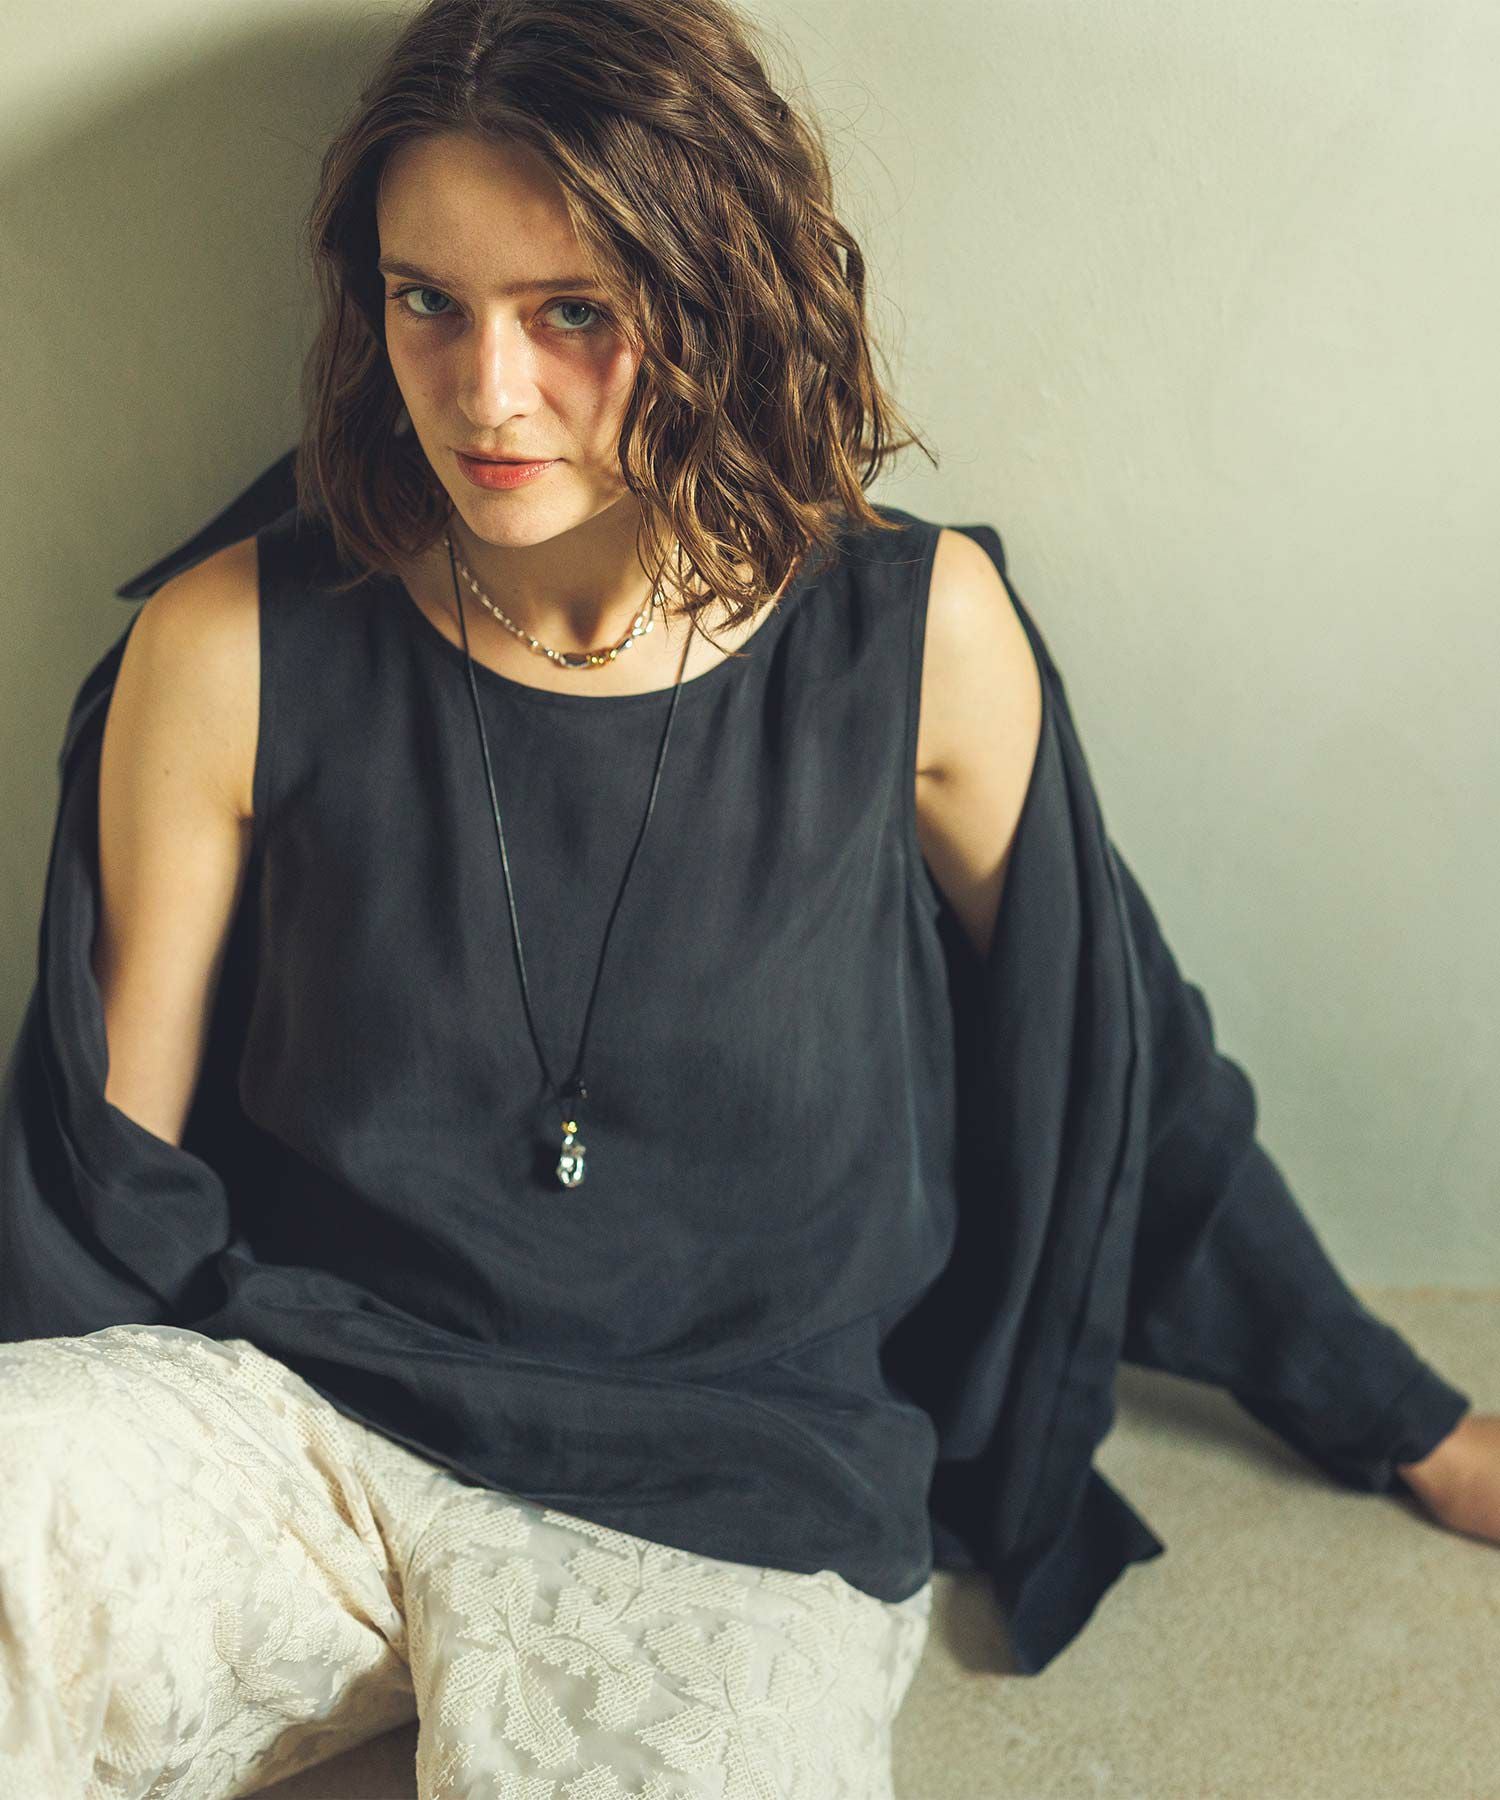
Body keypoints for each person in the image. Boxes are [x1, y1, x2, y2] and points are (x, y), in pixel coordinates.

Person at [2, 1, 1495, 1796]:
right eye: (426, 301)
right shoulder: (235, 640)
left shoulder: (915, 641)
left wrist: (1405, 1421)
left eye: (574, 312)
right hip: (295, 1428)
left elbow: (1114, 1064)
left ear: (717, 291)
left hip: (728, 1497)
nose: (486, 392)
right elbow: (109, 1181)